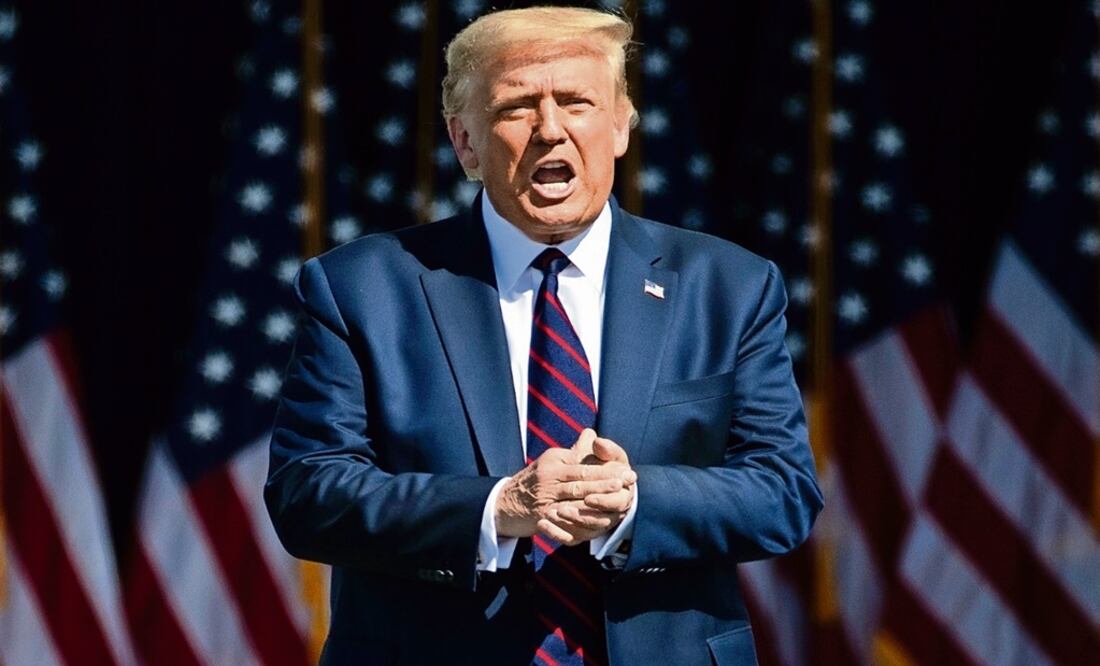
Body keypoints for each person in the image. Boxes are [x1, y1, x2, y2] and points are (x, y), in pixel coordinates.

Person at [265, 6, 822, 665]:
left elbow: (783, 489)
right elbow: (307, 491)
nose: (550, 130)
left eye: (577, 102)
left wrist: (638, 501)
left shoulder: (730, 286)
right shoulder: (361, 288)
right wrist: (496, 508)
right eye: (517, 107)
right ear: (464, 141)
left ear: (620, 125)